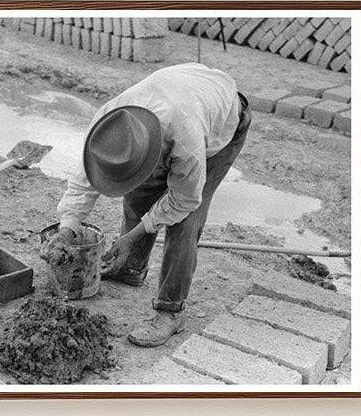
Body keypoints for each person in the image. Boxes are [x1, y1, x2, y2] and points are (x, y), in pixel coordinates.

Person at [53, 62, 251, 347]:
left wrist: (133, 235)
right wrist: (67, 227)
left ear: (154, 154)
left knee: (185, 223)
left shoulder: (187, 140)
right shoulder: (109, 124)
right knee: (139, 192)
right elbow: (84, 179)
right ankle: (130, 269)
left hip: (224, 121)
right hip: (185, 94)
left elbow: (184, 200)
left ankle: (172, 312)